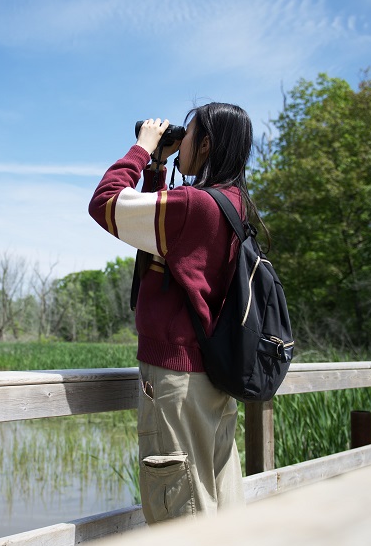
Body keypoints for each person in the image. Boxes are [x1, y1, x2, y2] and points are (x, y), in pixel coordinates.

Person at [88, 102, 258, 524]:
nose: (179, 143)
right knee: (216, 502)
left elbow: (105, 203)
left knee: (179, 512)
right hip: (213, 378)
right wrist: (158, 171)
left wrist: (141, 149)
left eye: (190, 134)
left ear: (205, 145)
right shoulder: (232, 203)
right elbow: (158, 245)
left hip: (176, 382)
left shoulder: (194, 205)